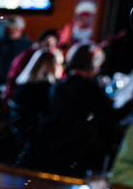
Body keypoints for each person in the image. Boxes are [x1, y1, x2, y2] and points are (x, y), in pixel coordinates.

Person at [22, 44, 132, 176]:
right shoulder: (89, 88)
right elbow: (111, 117)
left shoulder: (60, 84)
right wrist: (129, 103)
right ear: (93, 65)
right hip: (77, 147)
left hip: (53, 141)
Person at [2, 28, 60, 108]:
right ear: (41, 42)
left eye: (53, 44)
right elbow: (13, 76)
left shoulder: (54, 56)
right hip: (27, 93)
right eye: (48, 44)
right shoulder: (27, 56)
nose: (50, 47)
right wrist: (8, 95)